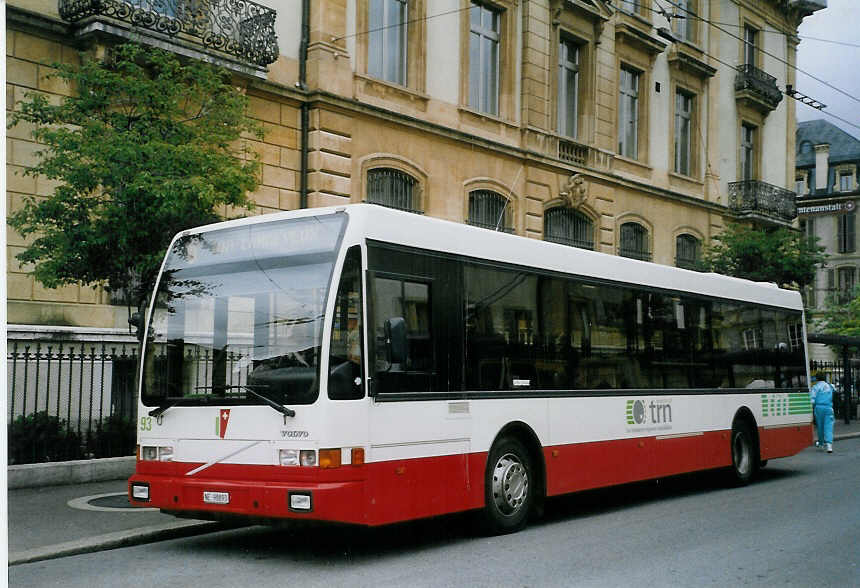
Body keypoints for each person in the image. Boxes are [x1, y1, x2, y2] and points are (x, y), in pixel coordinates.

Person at [809, 371, 835, 453]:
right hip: (829, 408)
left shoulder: (815, 387)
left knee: (820, 426)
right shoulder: (830, 386)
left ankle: (821, 443)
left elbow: (812, 400)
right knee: (829, 426)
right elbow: (835, 390)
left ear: (817, 378)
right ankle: (829, 446)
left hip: (819, 408)